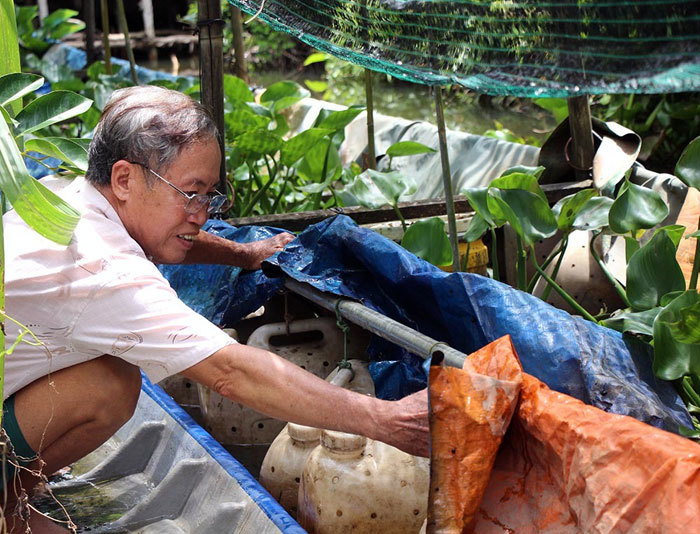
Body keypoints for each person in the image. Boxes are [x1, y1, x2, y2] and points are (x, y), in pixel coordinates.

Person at [1, 86, 428, 533]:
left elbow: (173, 236)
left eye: (208, 196)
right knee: (111, 385)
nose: (201, 214)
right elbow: (231, 371)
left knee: (110, 376)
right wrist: (385, 420)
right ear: (125, 178)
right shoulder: (103, 267)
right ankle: (6, 510)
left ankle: (14, 500)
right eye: (190, 193)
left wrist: (244, 254)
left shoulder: (66, 196)